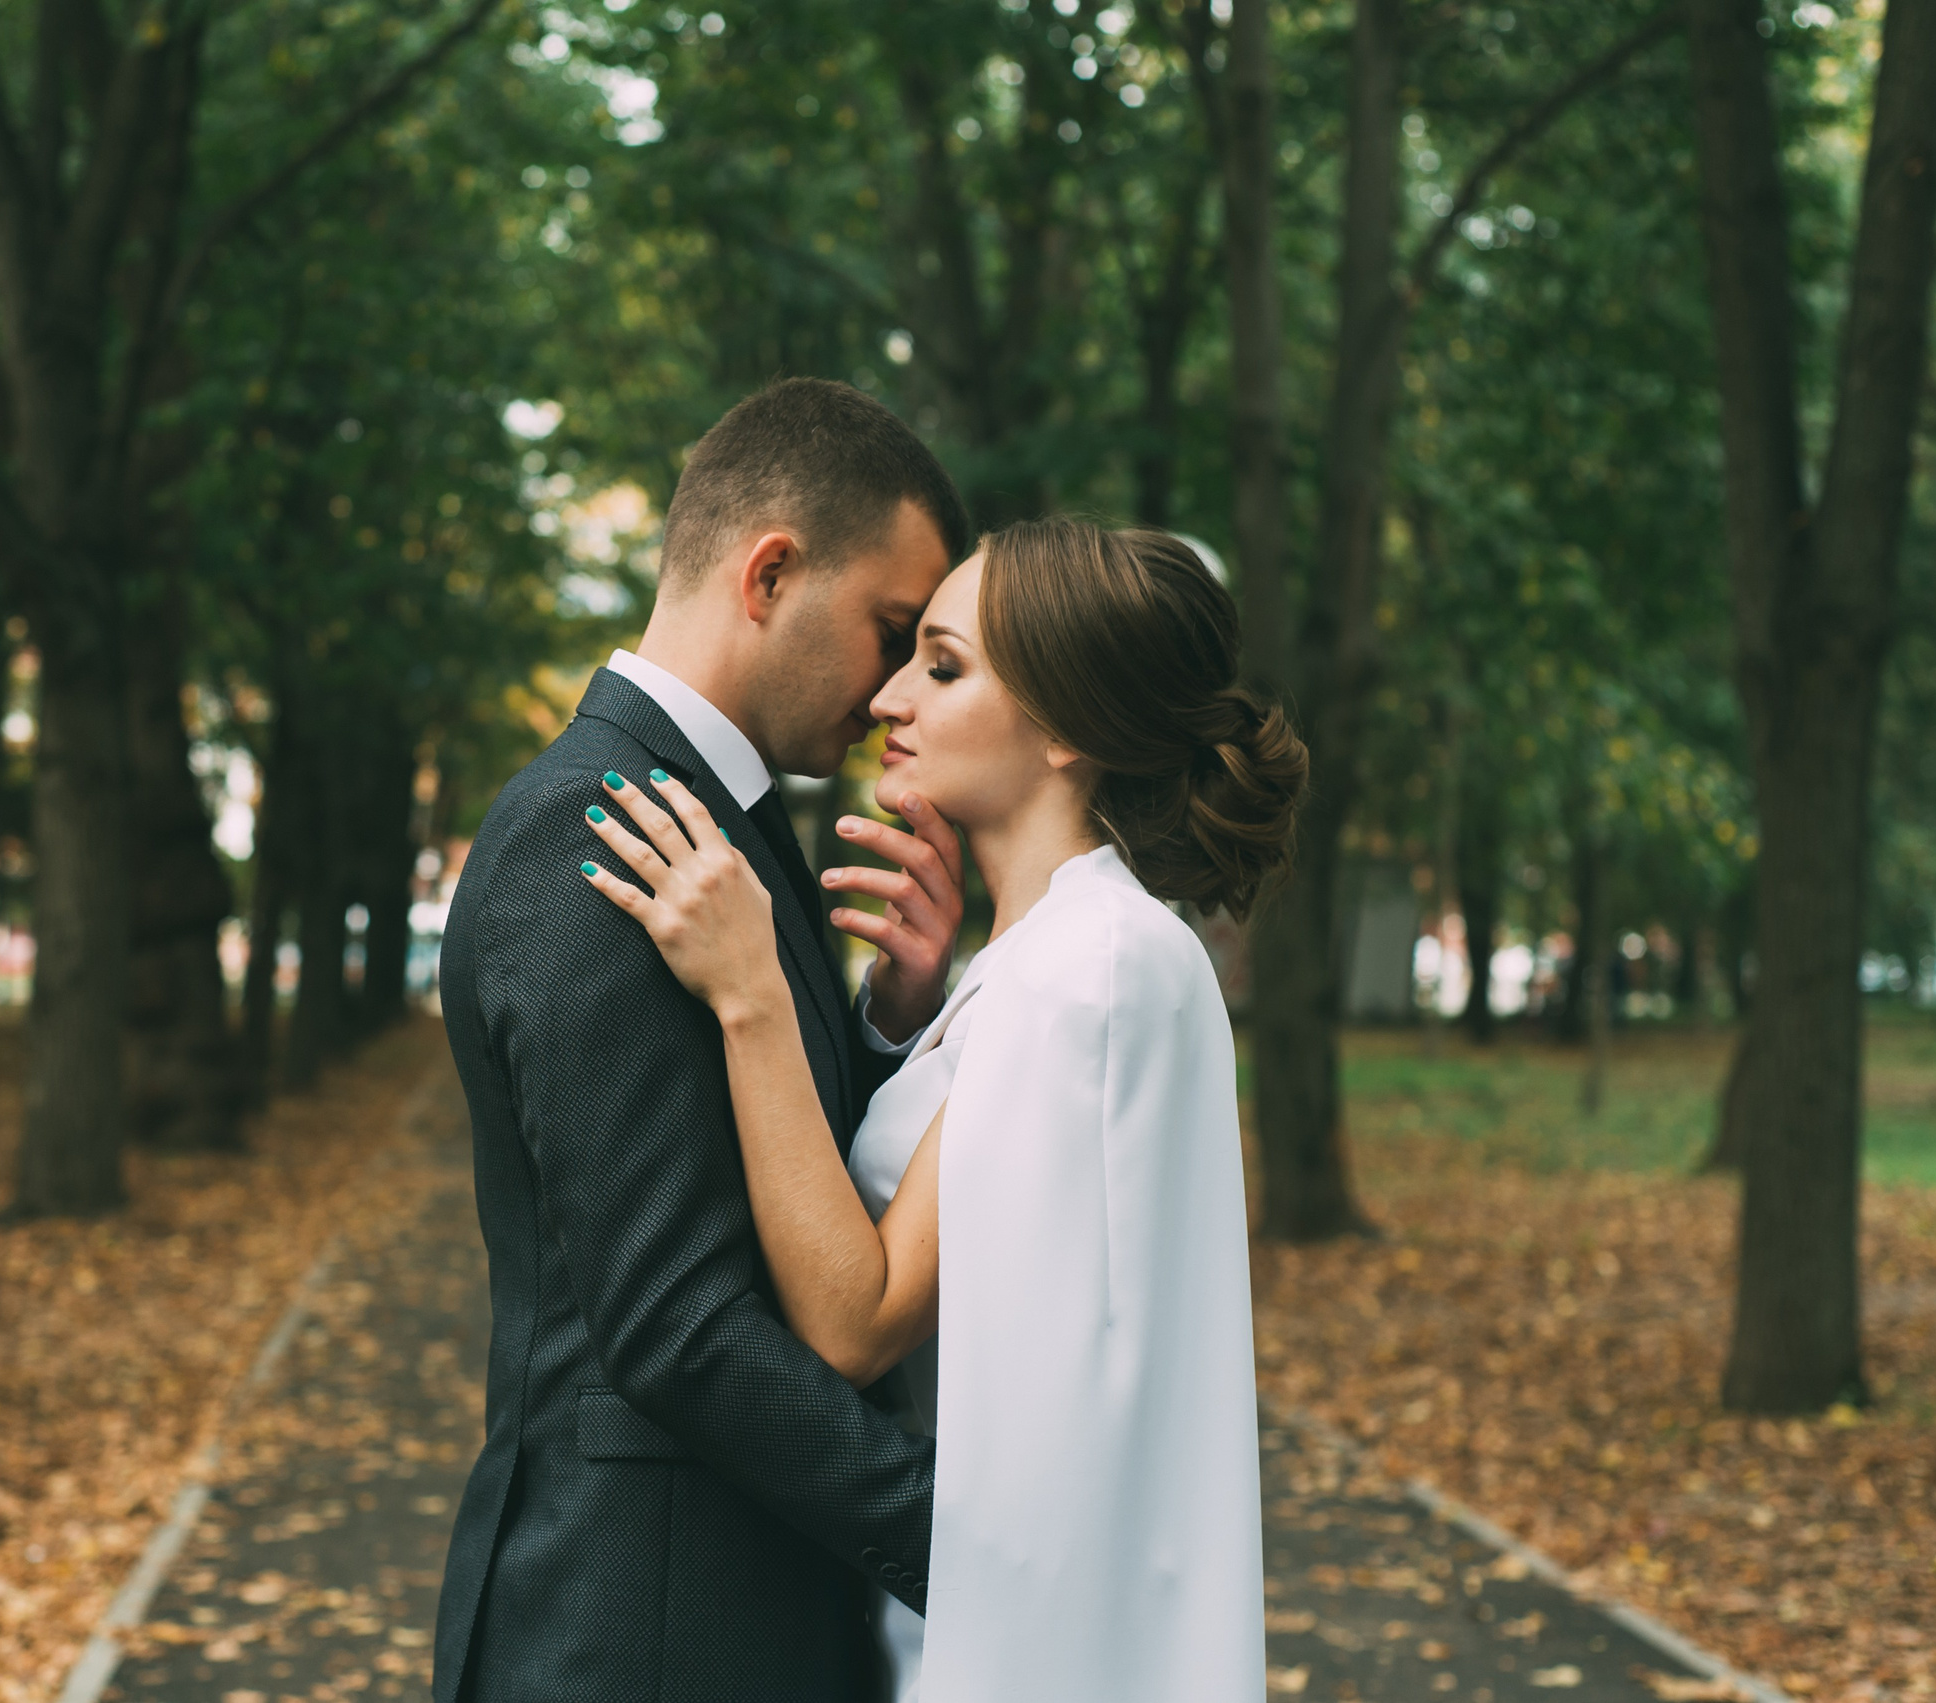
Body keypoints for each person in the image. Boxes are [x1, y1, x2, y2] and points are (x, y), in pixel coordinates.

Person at [579, 518, 1308, 1698]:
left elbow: (854, 1319)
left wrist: (753, 990)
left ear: (1066, 726)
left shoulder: (1091, 970)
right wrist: (906, 1016)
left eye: (942, 663)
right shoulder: (1064, 955)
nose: (887, 698)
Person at [433, 378, 978, 1701]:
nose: (900, 686)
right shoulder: (597, 825)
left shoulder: (720, 807)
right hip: (630, 1631)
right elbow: (676, 1320)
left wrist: (894, 1019)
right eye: (894, 631)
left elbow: (754, 1178)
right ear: (772, 572)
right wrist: (962, 1543)